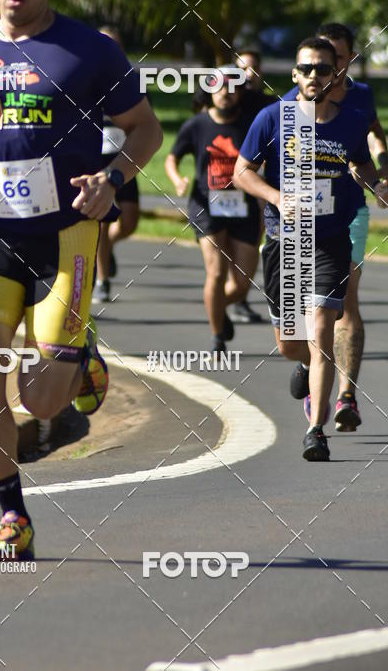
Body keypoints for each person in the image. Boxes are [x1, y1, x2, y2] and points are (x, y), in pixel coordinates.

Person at [0, 0, 162, 557]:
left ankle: (81, 356)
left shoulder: (89, 51)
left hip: (68, 236)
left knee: (38, 403)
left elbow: (145, 130)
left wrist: (113, 178)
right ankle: (13, 519)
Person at [234, 37, 388, 461]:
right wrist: (278, 197)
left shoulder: (352, 121)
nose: (315, 76)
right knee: (290, 341)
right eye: (307, 69)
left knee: (321, 330)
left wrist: (375, 184)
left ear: (335, 73)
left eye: (323, 68)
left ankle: (315, 431)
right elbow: (242, 172)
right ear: (295, 75)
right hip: (285, 240)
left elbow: (361, 165)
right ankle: (304, 366)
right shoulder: (272, 118)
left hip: (331, 240)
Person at [284, 23, 388, 432]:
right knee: (300, 322)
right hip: (299, 219)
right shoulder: (296, 102)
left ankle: (346, 396)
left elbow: (374, 136)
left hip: (350, 211)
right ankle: (312, 361)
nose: (332, 69)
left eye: (340, 60)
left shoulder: (360, 97)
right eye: (326, 63)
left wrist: (379, 172)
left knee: (346, 300)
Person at [164, 72, 263, 355]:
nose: (225, 93)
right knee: (216, 273)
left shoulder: (251, 125)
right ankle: (217, 335)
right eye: (219, 87)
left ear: (240, 93)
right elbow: (173, 158)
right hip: (206, 204)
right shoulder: (197, 125)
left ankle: (216, 308)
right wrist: (177, 179)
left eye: (232, 88)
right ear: (209, 92)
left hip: (244, 205)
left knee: (242, 284)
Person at [228, 48, 276, 324]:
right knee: (227, 243)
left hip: (256, 180)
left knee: (253, 238)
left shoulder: (269, 105)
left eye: (253, 68)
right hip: (223, 182)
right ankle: (227, 295)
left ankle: (240, 298)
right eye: (242, 68)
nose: (248, 74)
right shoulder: (225, 99)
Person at [93, 26, 141, 303]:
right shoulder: (84, 76)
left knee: (130, 221)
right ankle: (103, 280)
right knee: (101, 222)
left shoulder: (131, 80)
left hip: (125, 157)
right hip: (97, 159)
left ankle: (107, 248)